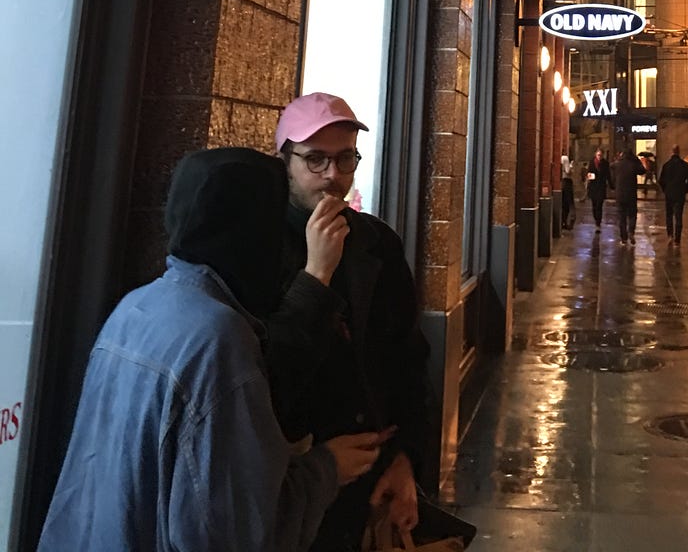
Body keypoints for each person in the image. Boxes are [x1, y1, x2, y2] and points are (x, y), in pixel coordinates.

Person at [38, 147, 385, 552]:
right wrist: (327, 468)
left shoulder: (136, 306)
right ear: (253, 230)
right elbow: (235, 529)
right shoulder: (218, 337)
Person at [268, 92, 430, 552]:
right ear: (285, 162)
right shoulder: (259, 251)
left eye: (345, 159)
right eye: (315, 160)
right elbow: (268, 371)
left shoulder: (377, 242)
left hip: (372, 473)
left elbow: (407, 359)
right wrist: (315, 274)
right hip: (293, 482)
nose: (332, 176)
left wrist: (405, 459)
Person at [658, 145, 688, 245]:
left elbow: (661, 180)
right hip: (680, 193)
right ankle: (677, 240)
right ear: (679, 152)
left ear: (672, 151)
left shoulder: (666, 165)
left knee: (669, 215)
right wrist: (686, 189)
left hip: (669, 193)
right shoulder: (684, 165)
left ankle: (670, 235)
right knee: (679, 216)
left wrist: (665, 189)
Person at [614, 144, 642, 244]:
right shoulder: (633, 164)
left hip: (620, 194)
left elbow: (611, 169)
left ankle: (623, 238)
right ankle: (631, 231)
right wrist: (636, 159)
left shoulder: (618, 164)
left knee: (621, 217)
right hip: (631, 194)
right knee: (632, 215)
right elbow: (642, 170)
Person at [586, 149, 611, 224]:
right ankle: (596, 218)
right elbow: (589, 172)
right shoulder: (592, 162)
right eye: (598, 155)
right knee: (594, 205)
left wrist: (611, 185)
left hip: (601, 186)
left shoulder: (605, 163)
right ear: (595, 155)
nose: (599, 157)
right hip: (593, 186)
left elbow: (608, 175)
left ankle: (598, 222)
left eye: (600, 155)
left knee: (599, 205)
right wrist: (589, 175)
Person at [561, 150, 575, 230]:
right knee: (569, 203)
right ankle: (569, 221)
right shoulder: (565, 158)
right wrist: (571, 166)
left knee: (564, 203)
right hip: (567, 181)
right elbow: (568, 171)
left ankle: (563, 222)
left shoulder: (559, 158)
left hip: (561, 182)